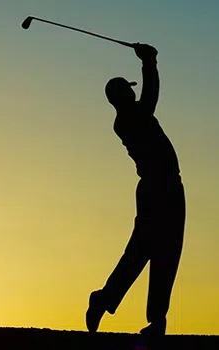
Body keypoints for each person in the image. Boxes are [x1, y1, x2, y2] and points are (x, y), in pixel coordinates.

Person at [86, 43, 186, 337]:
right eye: (128, 90)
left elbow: (148, 98)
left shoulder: (131, 116)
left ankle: (155, 320)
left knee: (166, 252)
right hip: (158, 189)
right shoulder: (129, 119)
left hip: (167, 187)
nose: (133, 92)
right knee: (143, 251)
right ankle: (105, 299)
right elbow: (151, 96)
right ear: (122, 96)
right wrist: (149, 62)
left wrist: (149, 62)